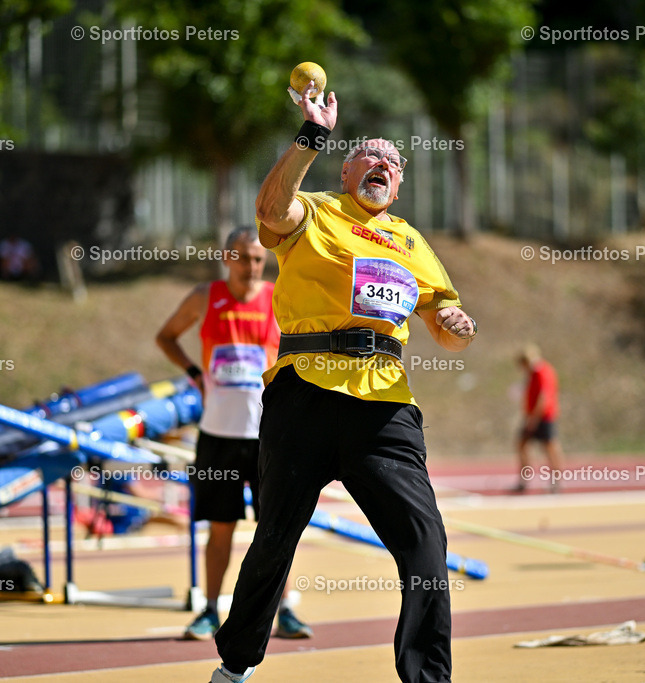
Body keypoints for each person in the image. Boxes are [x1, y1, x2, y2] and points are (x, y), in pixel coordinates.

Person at [209, 81, 476, 683]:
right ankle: (234, 666)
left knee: (426, 548)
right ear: (347, 168)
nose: (382, 164)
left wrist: (457, 324)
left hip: (384, 409)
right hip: (303, 391)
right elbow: (271, 213)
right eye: (370, 156)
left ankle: (428, 680)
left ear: (400, 183)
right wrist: (310, 137)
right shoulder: (319, 210)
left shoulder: (413, 242)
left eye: (393, 161)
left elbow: (445, 326)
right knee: (275, 538)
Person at [156, 227, 312, 641]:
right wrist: (194, 374)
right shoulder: (204, 297)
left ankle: (286, 610)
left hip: (269, 435)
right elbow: (166, 336)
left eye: (259, 259)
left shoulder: (280, 296)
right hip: (218, 434)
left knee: (277, 527)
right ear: (227, 257)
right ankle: (210, 610)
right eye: (242, 257)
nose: (251, 266)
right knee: (220, 527)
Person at [513, 344, 565, 494]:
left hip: (544, 416)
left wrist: (533, 419)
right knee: (522, 445)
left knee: (550, 448)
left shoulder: (542, 372)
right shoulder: (533, 374)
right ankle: (523, 481)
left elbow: (544, 398)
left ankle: (556, 482)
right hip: (533, 416)